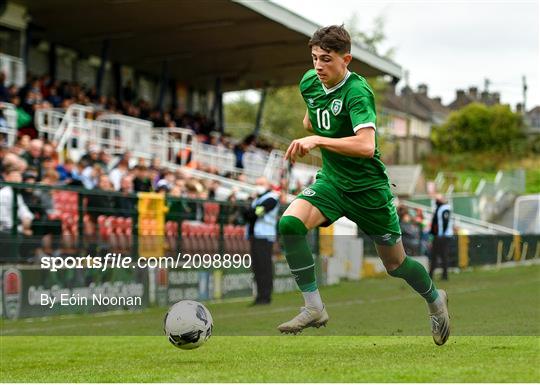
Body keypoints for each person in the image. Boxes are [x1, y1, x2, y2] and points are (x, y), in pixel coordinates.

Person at [277, 25, 450, 345]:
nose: (318, 66)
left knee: (396, 265)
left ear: (347, 60)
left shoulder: (357, 92)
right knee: (289, 223)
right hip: (332, 181)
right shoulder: (309, 82)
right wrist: (314, 130)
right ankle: (313, 307)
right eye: (314, 58)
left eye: (326, 59)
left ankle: (434, 298)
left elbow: (366, 146)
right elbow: (310, 117)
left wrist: (317, 139)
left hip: (368, 190)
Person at [244, 177, 280, 305]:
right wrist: (251, 210)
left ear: (268, 185)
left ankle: (265, 296)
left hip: (264, 236)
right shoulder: (257, 199)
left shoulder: (272, 198)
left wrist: (252, 211)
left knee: (264, 267)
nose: (258, 186)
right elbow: (247, 213)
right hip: (255, 236)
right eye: (256, 183)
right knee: (257, 268)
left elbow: (257, 212)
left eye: (261, 184)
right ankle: (259, 296)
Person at [429, 195, 453, 281]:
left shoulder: (445, 208)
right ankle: (435, 274)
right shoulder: (441, 208)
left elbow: (444, 223)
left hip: (442, 236)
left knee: (440, 255)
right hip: (440, 235)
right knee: (438, 255)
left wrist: (441, 234)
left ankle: (443, 275)